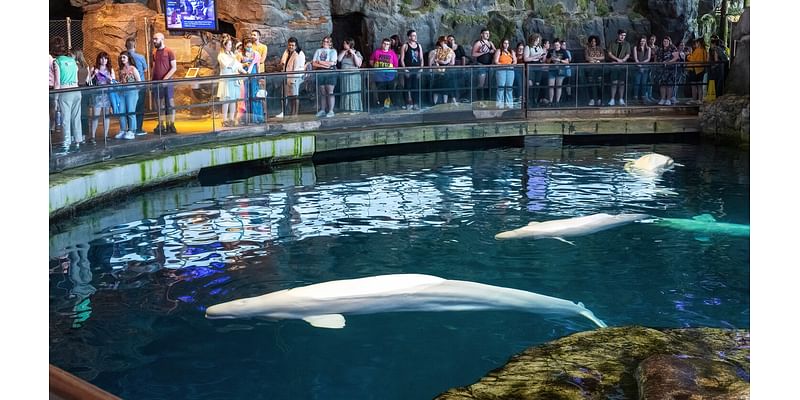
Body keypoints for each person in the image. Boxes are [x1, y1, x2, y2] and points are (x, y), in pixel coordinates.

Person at [52, 37, 83, 152]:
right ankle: (78, 141)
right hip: (76, 90)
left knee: (65, 119)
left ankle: (66, 143)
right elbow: (76, 76)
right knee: (76, 117)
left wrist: (55, 98)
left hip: (65, 91)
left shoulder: (57, 62)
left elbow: (57, 81)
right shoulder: (72, 61)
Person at [216, 35, 247, 126]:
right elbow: (227, 65)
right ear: (224, 45)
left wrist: (245, 71)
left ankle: (231, 119)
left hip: (234, 79)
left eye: (231, 44)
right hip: (226, 80)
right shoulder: (221, 55)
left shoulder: (232, 54)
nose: (230, 46)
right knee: (226, 100)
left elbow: (238, 65)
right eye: (229, 44)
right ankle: (225, 120)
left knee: (233, 100)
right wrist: (234, 58)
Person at [151, 32, 178, 134]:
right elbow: (155, 68)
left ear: (162, 39)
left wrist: (165, 79)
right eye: (153, 39)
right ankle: (161, 124)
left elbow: (174, 68)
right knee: (159, 104)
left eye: (156, 39)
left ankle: (171, 124)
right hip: (157, 82)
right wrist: (152, 81)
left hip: (167, 82)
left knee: (170, 103)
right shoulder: (155, 53)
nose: (154, 41)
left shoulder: (169, 51)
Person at [276, 37, 306, 118]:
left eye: (293, 45)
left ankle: (295, 113)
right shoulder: (286, 52)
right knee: (287, 95)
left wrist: (293, 78)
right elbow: (283, 62)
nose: (291, 47)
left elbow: (297, 67)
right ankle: (287, 112)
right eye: (289, 45)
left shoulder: (298, 54)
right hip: (286, 76)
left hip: (294, 77)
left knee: (295, 95)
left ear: (296, 46)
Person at [115, 51, 142, 140]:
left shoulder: (133, 69)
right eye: (121, 57)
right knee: (122, 111)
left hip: (132, 91)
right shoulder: (121, 70)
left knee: (130, 111)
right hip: (122, 92)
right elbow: (120, 81)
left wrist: (136, 91)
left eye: (124, 57)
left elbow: (139, 81)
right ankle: (123, 129)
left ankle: (132, 130)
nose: (122, 59)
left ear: (128, 58)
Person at [88, 51, 115, 140]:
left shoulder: (110, 69)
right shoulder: (94, 68)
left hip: (107, 95)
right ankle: (92, 136)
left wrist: (109, 78)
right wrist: (94, 75)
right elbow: (88, 81)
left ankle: (106, 135)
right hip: (97, 95)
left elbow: (113, 82)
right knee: (96, 115)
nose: (104, 60)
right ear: (99, 59)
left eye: (106, 58)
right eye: (102, 58)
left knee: (106, 115)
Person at [125, 37, 147, 135]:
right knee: (139, 107)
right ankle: (138, 129)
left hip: (128, 86)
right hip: (140, 85)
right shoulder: (140, 57)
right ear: (135, 45)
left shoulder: (123, 57)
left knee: (129, 107)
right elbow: (145, 69)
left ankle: (130, 128)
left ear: (126, 46)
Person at [369, 38, 399, 111]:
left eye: (388, 44)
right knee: (381, 93)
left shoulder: (392, 53)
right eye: (384, 43)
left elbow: (396, 64)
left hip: (390, 77)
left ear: (389, 45)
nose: (386, 45)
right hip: (379, 77)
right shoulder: (376, 52)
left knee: (391, 92)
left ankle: (394, 107)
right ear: (382, 44)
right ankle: (382, 107)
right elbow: (371, 61)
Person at [312, 36, 338, 117]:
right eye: (324, 41)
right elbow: (313, 63)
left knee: (330, 91)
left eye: (327, 42)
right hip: (320, 72)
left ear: (330, 43)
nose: (325, 43)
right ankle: (323, 109)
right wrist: (325, 64)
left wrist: (320, 62)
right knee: (322, 92)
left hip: (330, 73)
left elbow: (332, 63)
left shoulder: (333, 51)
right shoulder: (318, 51)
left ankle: (331, 110)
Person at [240, 37, 263, 124]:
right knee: (245, 95)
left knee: (254, 95)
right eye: (247, 46)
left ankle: (256, 117)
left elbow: (257, 66)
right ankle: (245, 119)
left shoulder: (256, 54)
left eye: (250, 46)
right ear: (244, 46)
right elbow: (238, 65)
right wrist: (244, 64)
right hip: (245, 76)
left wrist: (259, 77)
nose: (249, 48)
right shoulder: (240, 54)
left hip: (253, 76)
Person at [337, 37, 363, 112]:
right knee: (345, 91)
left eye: (345, 43)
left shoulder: (357, 53)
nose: (344, 45)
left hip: (353, 75)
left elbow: (358, 64)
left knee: (353, 91)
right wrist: (344, 52)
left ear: (350, 44)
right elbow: (339, 59)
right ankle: (345, 108)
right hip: (344, 75)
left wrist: (353, 54)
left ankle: (355, 108)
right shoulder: (343, 52)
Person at [400, 30, 424, 110]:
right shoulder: (405, 46)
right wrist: (405, 69)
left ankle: (415, 103)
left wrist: (421, 68)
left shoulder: (418, 45)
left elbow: (421, 58)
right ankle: (407, 103)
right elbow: (402, 59)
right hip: (408, 69)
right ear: (409, 37)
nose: (415, 37)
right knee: (407, 86)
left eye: (415, 35)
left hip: (416, 69)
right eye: (413, 35)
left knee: (415, 87)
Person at [72, 48, 92, 142]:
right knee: (84, 113)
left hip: (77, 88)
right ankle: (84, 134)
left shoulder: (74, 65)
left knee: (75, 113)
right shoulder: (86, 65)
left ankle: (75, 134)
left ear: (75, 54)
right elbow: (88, 79)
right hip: (85, 89)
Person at [606, 29, 630, 106]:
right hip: (614, 65)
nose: (623, 37)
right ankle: (612, 99)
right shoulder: (612, 43)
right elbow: (609, 53)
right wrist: (617, 60)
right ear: (618, 35)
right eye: (621, 35)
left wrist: (623, 60)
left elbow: (628, 54)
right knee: (614, 82)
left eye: (624, 36)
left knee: (622, 83)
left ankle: (621, 99)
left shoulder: (627, 44)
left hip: (623, 65)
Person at [471, 28, 496, 101]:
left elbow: (495, 50)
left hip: (489, 65)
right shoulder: (478, 43)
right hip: (481, 65)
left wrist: (492, 51)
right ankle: (479, 100)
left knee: (488, 84)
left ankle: (487, 99)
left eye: (488, 33)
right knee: (481, 84)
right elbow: (473, 54)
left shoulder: (490, 43)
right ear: (481, 34)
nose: (488, 35)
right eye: (486, 33)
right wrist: (483, 52)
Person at [430, 36, 455, 105]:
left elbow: (447, 61)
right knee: (436, 88)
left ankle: (445, 103)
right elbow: (433, 61)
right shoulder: (438, 50)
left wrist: (438, 61)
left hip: (446, 70)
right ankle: (435, 103)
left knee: (445, 88)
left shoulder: (449, 50)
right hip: (438, 71)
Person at [654, 36, 680, 105]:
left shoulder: (672, 48)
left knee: (669, 84)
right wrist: (656, 64)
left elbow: (676, 57)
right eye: (664, 41)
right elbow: (656, 57)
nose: (665, 43)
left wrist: (668, 62)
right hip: (661, 69)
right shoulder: (660, 49)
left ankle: (668, 99)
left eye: (666, 41)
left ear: (669, 42)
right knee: (662, 84)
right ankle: (663, 98)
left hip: (670, 69)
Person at [523, 33, 547, 107]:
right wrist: (535, 57)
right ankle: (529, 100)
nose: (537, 42)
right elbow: (525, 58)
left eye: (538, 41)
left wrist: (543, 55)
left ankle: (535, 100)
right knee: (530, 84)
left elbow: (543, 59)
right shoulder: (528, 47)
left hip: (538, 66)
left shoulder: (539, 47)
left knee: (537, 84)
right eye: (536, 40)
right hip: (531, 66)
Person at [493, 38, 516, 109]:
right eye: (505, 43)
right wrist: (504, 65)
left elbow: (515, 61)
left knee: (509, 87)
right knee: (501, 87)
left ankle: (509, 104)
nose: (506, 45)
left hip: (510, 70)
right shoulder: (499, 51)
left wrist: (511, 65)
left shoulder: (511, 51)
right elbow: (496, 61)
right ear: (502, 44)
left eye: (507, 43)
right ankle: (499, 104)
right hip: (501, 70)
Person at [545, 38, 570, 105]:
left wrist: (559, 60)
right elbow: (547, 61)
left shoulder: (563, 51)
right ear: (553, 45)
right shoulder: (550, 51)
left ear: (560, 45)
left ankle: (557, 101)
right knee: (551, 86)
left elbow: (567, 62)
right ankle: (550, 101)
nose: (556, 46)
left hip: (560, 70)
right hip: (552, 70)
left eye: (557, 45)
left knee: (559, 86)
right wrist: (551, 58)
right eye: (555, 45)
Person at [685, 37, 708, 105]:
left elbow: (692, 59)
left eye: (696, 43)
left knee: (694, 85)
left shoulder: (698, 50)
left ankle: (694, 99)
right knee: (700, 85)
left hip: (695, 69)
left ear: (699, 43)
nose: (695, 44)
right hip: (701, 69)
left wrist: (688, 55)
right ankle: (700, 99)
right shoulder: (704, 50)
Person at [583, 35, 604, 106]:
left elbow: (603, 57)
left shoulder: (600, 48)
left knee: (599, 84)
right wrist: (596, 59)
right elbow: (587, 58)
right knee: (590, 84)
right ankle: (591, 99)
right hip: (590, 69)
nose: (593, 42)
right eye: (592, 41)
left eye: (594, 41)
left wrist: (594, 58)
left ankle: (599, 99)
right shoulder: (587, 49)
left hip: (599, 69)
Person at [447, 35, 468, 102]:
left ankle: (460, 97)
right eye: (449, 40)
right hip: (451, 67)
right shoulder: (447, 48)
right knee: (452, 83)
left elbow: (463, 57)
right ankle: (454, 98)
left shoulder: (459, 47)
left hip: (459, 66)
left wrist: (463, 67)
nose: (451, 41)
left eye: (452, 39)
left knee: (459, 82)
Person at [632, 36, 652, 104]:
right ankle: (635, 97)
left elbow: (648, 58)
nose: (642, 42)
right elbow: (636, 58)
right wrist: (640, 66)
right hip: (637, 68)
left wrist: (643, 65)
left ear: (646, 41)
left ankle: (643, 98)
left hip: (645, 68)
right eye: (641, 41)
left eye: (643, 41)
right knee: (637, 83)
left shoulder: (648, 48)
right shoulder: (635, 48)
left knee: (644, 83)